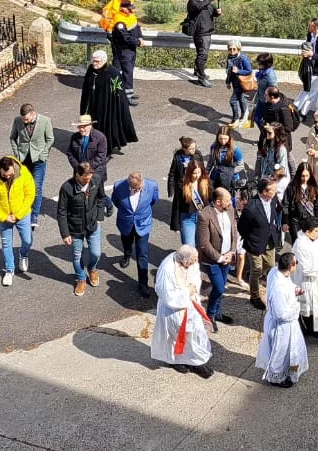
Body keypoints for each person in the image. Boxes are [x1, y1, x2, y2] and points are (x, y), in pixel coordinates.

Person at [151, 244, 213, 378]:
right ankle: (175, 361)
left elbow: (195, 277)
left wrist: (193, 288)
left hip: (190, 305)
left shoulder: (192, 262)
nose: (195, 263)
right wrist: (187, 292)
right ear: (184, 261)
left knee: (195, 333)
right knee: (174, 336)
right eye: (192, 261)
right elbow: (167, 295)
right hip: (173, 310)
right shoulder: (167, 269)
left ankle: (196, 362)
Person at [255, 252, 308, 388]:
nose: (297, 265)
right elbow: (281, 314)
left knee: (293, 349)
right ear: (290, 267)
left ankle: (289, 371)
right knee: (281, 352)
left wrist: (295, 290)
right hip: (282, 327)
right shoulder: (279, 288)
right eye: (296, 263)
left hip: (288, 325)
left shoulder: (275, 271)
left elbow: (288, 285)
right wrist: (296, 308)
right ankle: (276, 377)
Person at [57, 161, 110, 295]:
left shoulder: (96, 180)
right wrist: (65, 234)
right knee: (76, 255)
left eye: (90, 177)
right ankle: (80, 278)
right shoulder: (67, 188)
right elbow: (61, 212)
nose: (88, 180)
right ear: (77, 175)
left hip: (92, 224)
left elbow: (101, 198)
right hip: (75, 228)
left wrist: (99, 216)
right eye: (85, 178)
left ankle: (92, 268)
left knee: (96, 253)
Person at [0, 156, 37, 287]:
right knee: (6, 244)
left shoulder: (23, 173)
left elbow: (30, 194)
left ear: (14, 168)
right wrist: (2, 216)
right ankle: (9, 270)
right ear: (0, 170)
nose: (8, 177)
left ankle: (23, 254)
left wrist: (18, 214)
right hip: (4, 217)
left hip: (22, 215)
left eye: (10, 174)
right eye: (5, 175)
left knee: (28, 240)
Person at [195, 186, 240, 328]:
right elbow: (204, 244)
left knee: (222, 286)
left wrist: (232, 252)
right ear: (218, 202)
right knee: (219, 288)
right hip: (212, 260)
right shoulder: (205, 215)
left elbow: (234, 232)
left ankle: (218, 313)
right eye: (227, 201)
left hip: (228, 255)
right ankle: (210, 314)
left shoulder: (230, 210)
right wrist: (220, 258)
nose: (230, 203)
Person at [79, 49, 137, 153]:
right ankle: (93, 144)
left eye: (97, 61)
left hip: (107, 106)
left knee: (106, 126)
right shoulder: (91, 69)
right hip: (93, 105)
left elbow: (118, 93)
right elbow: (87, 85)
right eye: (94, 61)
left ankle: (105, 147)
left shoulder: (112, 72)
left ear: (104, 60)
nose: (94, 63)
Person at [111, 170, 158, 298]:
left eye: (139, 187)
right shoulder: (118, 186)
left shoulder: (152, 185)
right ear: (129, 185)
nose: (137, 190)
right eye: (134, 188)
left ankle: (143, 284)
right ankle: (127, 255)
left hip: (143, 224)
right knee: (126, 243)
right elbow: (115, 201)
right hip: (125, 223)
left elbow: (153, 201)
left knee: (142, 253)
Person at [240, 178, 284, 310]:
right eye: (273, 190)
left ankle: (255, 277)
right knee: (257, 269)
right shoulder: (251, 207)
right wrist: (251, 238)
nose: (276, 192)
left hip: (269, 240)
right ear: (264, 192)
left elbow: (277, 212)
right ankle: (254, 296)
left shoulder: (273, 199)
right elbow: (241, 226)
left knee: (270, 266)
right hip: (254, 243)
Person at [9, 103, 53, 226]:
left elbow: (50, 139)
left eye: (27, 119)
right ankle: (23, 211)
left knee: (37, 188)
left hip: (39, 160)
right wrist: (17, 153)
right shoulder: (17, 121)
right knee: (22, 186)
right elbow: (12, 138)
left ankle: (34, 216)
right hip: (23, 160)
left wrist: (44, 155)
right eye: (23, 119)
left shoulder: (45, 121)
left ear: (33, 113)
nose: (25, 121)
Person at [100, 0, 145, 106]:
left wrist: (139, 38)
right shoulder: (112, 8)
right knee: (124, 69)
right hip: (119, 42)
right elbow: (115, 29)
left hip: (128, 45)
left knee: (124, 68)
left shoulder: (128, 11)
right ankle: (122, 93)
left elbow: (136, 26)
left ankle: (121, 91)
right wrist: (137, 41)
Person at [182, 0, 221, 87]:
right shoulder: (192, 2)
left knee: (201, 53)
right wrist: (210, 0)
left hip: (207, 32)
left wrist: (217, 12)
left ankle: (197, 71)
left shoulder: (206, 3)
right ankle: (201, 77)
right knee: (203, 54)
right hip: (200, 33)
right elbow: (198, 7)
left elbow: (211, 12)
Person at [171, 144, 210, 247]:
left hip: (203, 217)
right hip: (188, 218)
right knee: (189, 245)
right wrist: (176, 225)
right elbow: (177, 206)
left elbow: (212, 201)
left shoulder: (207, 183)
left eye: (199, 172)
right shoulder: (182, 186)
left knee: (201, 244)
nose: (197, 176)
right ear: (189, 173)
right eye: (194, 173)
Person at [285, 161, 318, 241]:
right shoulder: (292, 187)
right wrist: (285, 221)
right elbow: (285, 204)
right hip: (296, 220)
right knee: (298, 245)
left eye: (307, 176)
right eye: (302, 176)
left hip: (311, 220)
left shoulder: (314, 187)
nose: (305, 179)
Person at [67, 113, 110, 182]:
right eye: (79, 127)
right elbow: (70, 153)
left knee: (96, 192)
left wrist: (88, 168)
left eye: (84, 127)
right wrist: (78, 167)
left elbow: (101, 155)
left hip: (95, 171)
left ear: (90, 126)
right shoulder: (74, 137)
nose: (81, 129)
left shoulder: (100, 137)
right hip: (79, 171)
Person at [223, 39, 254, 128]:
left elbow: (249, 71)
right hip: (234, 83)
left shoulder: (243, 58)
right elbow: (229, 71)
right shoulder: (229, 57)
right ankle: (244, 117)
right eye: (230, 49)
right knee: (241, 99)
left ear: (238, 49)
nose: (232, 51)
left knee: (232, 101)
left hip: (242, 83)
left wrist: (238, 71)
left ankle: (235, 119)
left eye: (234, 49)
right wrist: (228, 82)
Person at [209, 126, 246, 197]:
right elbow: (210, 161)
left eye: (225, 139)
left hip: (230, 178)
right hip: (216, 175)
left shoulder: (236, 150)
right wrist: (206, 174)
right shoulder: (213, 147)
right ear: (217, 137)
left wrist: (227, 172)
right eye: (220, 139)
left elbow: (241, 166)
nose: (223, 141)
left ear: (229, 137)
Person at [251, 53, 279, 130]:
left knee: (266, 121)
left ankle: (268, 135)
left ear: (266, 64)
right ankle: (265, 134)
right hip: (261, 99)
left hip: (267, 102)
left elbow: (274, 90)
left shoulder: (270, 76)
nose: (257, 64)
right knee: (257, 118)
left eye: (259, 63)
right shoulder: (262, 72)